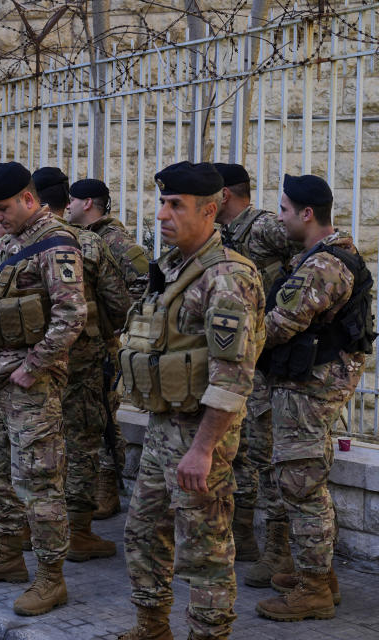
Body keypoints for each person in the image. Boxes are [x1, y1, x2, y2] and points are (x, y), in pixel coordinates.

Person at [116, 162, 264, 640]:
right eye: (162, 203)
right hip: (164, 428)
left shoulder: (227, 278)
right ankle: (152, 626)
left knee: (203, 552)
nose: (161, 215)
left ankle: (207, 634)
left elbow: (232, 376)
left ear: (210, 210)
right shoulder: (177, 268)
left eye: (175, 205)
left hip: (201, 435)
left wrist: (203, 449)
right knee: (142, 533)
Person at [0, 162, 85, 617]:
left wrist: (34, 366)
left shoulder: (56, 243)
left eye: (5, 207)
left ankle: (52, 578)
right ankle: (9, 555)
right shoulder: (9, 244)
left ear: (29, 199)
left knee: (38, 481)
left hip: (32, 386)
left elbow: (72, 316)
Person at [254, 175, 369, 621]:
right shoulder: (318, 257)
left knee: (300, 484)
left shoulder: (325, 264)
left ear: (306, 214)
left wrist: (231, 340)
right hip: (307, 382)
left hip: (311, 385)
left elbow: (280, 324)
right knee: (306, 481)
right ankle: (320, 574)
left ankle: (314, 589)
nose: (278, 218)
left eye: (283, 210)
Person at [210, 162, 304, 571]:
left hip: (268, 361)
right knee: (240, 453)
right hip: (238, 360)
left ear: (224, 195)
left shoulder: (264, 227)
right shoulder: (220, 234)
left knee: (267, 458)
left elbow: (310, 257)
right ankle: (243, 536)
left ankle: (279, 552)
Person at [33, 168, 131, 562]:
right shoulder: (88, 244)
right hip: (83, 359)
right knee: (82, 441)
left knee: (37, 439)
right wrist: (101, 337)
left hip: (33, 363)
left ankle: (33, 525)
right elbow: (119, 304)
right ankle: (78, 530)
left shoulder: (16, 245)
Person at [67, 178, 150, 520]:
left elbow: (143, 284)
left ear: (88, 203)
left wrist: (122, 323)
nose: (68, 206)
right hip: (87, 343)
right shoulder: (81, 238)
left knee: (103, 415)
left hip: (102, 345)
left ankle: (107, 487)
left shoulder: (115, 239)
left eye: (72, 201)